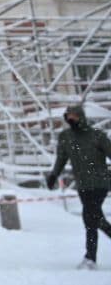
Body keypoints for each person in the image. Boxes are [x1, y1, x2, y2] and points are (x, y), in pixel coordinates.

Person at [46, 104, 111, 270]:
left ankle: (90, 257)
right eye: (68, 116)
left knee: (92, 217)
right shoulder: (66, 137)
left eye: (74, 116)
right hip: (83, 185)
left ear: (81, 116)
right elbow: (61, 158)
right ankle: (90, 258)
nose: (71, 119)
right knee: (92, 218)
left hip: (100, 183)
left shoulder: (97, 135)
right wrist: (54, 175)